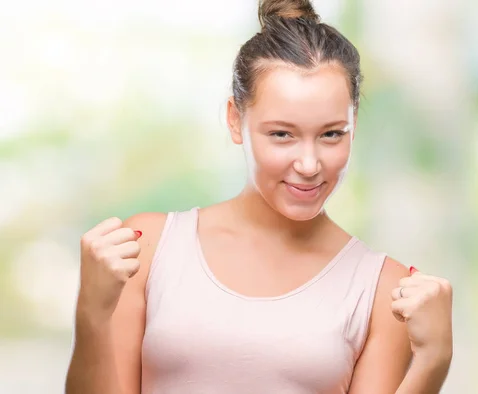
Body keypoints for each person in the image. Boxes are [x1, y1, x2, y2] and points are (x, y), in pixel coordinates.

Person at [65, 1, 453, 393]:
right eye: (282, 134)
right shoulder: (146, 249)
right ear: (236, 120)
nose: (308, 164)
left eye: (332, 134)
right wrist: (92, 314)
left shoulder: (384, 288)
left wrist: (433, 360)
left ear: (354, 123)